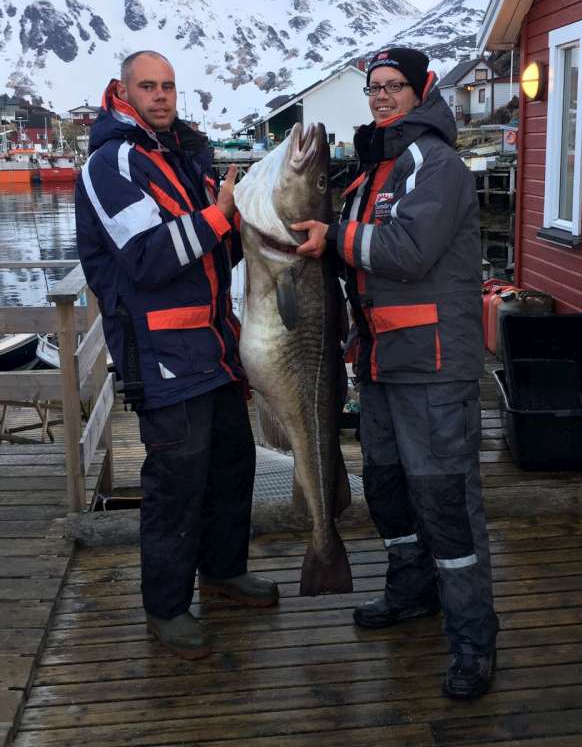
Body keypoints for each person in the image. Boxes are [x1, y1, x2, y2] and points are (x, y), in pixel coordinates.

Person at [292, 47, 499, 699]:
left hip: (434, 368)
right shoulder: (371, 172)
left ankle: (473, 643)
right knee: (386, 488)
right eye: (375, 87)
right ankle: (411, 593)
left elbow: (407, 252)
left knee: (446, 505)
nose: (381, 96)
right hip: (379, 364)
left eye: (394, 87)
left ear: (422, 90)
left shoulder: (437, 167)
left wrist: (334, 238)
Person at [75, 50, 278, 660]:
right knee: (175, 486)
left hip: (213, 351)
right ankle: (165, 606)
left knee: (230, 466)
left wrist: (251, 230)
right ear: (122, 91)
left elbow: (209, 253)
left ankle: (222, 570)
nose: (161, 96)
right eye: (148, 86)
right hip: (161, 356)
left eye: (168, 86)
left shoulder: (176, 157)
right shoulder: (112, 163)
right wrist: (219, 216)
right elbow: (146, 256)